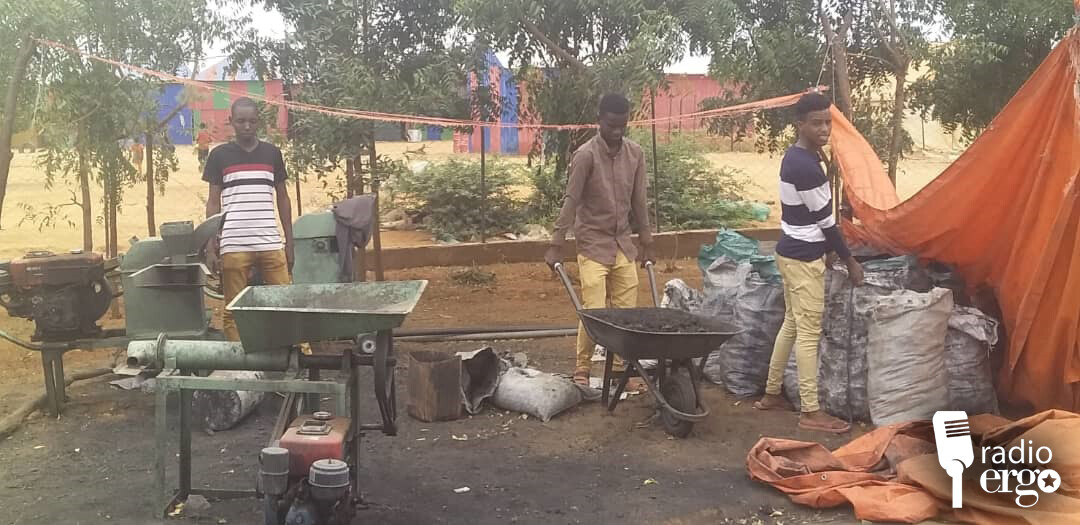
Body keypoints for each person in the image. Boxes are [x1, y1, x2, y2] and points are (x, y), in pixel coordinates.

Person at [753, 91, 864, 434]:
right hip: (803, 259)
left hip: (790, 250)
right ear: (799, 124)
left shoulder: (797, 157)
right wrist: (848, 259)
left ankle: (772, 393)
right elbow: (826, 222)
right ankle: (811, 410)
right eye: (816, 123)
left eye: (828, 122)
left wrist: (828, 249)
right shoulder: (807, 167)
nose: (824, 128)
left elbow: (809, 218)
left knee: (792, 323)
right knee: (809, 332)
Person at [544, 93, 654, 388]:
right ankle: (582, 368)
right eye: (611, 125)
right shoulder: (585, 155)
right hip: (593, 242)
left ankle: (621, 369)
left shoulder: (635, 154)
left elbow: (639, 200)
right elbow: (571, 199)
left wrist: (646, 238)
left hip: (622, 242)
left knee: (626, 312)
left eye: (622, 126)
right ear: (599, 121)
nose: (617, 132)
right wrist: (557, 243)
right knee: (594, 311)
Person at [203, 97, 294, 341]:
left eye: (252, 121)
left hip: (270, 243)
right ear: (231, 121)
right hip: (234, 245)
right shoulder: (219, 156)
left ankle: (295, 358)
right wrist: (211, 245)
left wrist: (289, 242)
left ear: (259, 123)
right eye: (241, 121)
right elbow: (213, 202)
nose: (246, 126)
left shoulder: (272, 154)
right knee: (234, 311)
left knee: (286, 306)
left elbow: (283, 199)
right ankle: (236, 364)